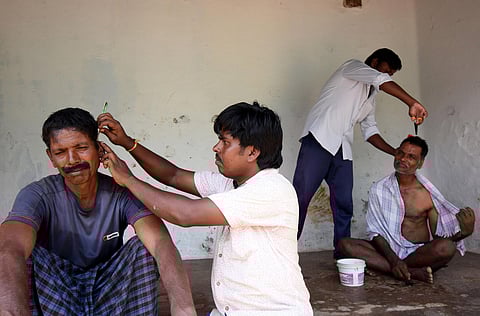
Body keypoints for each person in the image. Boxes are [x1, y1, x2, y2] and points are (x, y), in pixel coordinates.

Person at [97, 101, 314, 315]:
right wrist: (127, 143)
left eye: (225, 142)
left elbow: (185, 214)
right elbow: (173, 175)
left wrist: (128, 179)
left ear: (252, 152)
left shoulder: (270, 190)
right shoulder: (230, 183)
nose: (216, 147)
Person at [0, 108, 196, 315]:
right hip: (57, 291)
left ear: (98, 149)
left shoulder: (121, 192)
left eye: (81, 147)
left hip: (109, 288)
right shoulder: (38, 194)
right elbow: (8, 248)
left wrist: (184, 308)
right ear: (51, 156)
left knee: (145, 248)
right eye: (60, 152)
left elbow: (160, 243)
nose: (72, 159)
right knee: (19, 255)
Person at [293, 48, 429, 258]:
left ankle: (343, 256)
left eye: (392, 73)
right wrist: (412, 102)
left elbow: (370, 130)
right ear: (374, 62)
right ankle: (285, 253)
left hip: (342, 151)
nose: (389, 76)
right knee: (300, 198)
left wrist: (394, 151)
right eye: (388, 70)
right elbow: (380, 79)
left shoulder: (370, 97)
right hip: (319, 139)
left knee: (344, 204)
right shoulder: (352, 67)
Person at [338, 136, 475, 284]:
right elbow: (375, 233)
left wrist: (464, 233)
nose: (403, 159)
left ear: (420, 163)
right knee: (345, 244)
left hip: (417, 252)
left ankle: (391, 269)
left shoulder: (426, 194)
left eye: (411, 157)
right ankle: (411, 272)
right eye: (400, 153)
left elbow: (438, 238)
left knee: (447, 248)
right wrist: (394, 260)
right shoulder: (379, 188)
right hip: (387, 251)